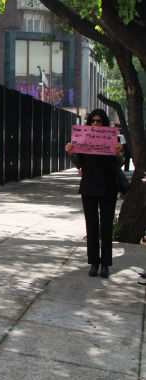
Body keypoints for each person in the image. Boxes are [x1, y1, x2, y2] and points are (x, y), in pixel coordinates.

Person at [65, 109, 123, 279]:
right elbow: (79, 163)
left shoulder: (113, 139)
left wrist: (118, 152)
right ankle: (94, 262)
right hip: (89, 187)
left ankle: (105, 264)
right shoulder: (83, 139)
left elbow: (120, 162)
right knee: (91, 227)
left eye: (99, 121)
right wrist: (71, 153)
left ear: (104, 123)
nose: (96, 124)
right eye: (93, 121)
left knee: (106, 226)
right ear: (89, 123)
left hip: (108, 188)